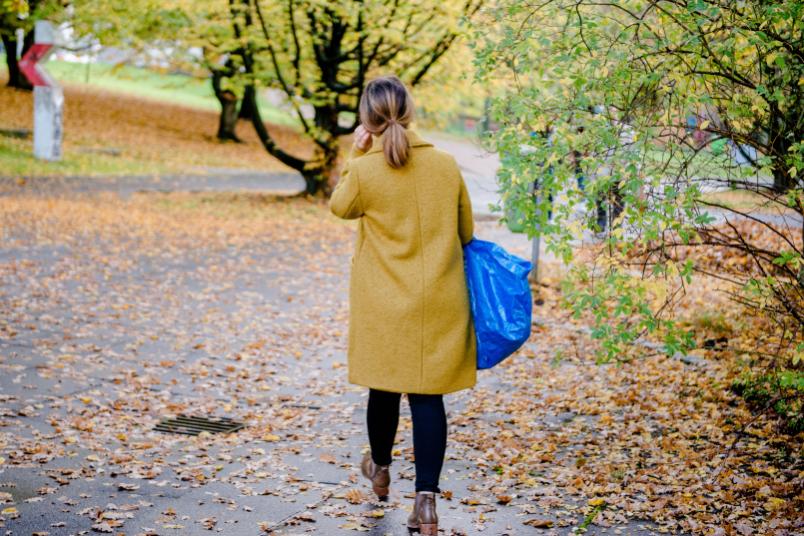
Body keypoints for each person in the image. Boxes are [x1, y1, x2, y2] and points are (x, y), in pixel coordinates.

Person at [329, 75, 476, 536]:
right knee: (429, 398)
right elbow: (466, 232)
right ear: (410, 112)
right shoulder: (447, 165)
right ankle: (426, 504)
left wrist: (358, 153)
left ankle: (380, 469)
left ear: (367, 120)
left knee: (384, 388)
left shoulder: (367, 170)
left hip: (386, 302)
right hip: (439, 299)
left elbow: (340, 206)